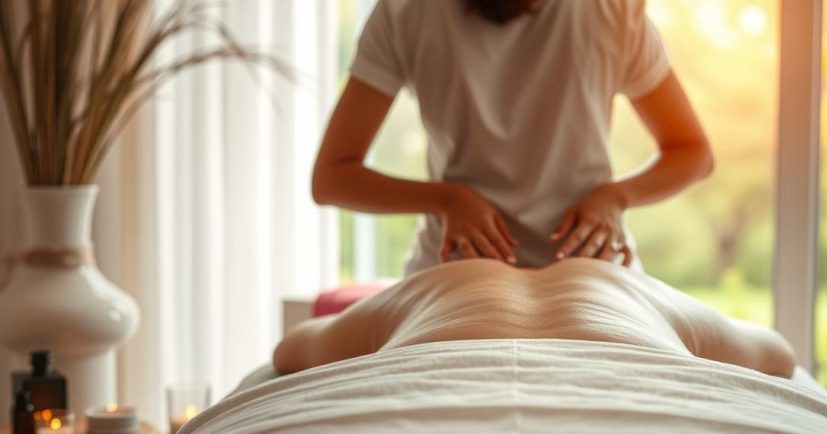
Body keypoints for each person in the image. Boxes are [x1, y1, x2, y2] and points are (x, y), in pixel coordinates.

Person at [312, 0, 713, 274]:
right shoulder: (407, 11)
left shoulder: (610, 9)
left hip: (590, 272)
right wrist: (447, 200)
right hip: (455, 273)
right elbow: (332, 177)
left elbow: (693, 152)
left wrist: (615, 196)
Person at [273, 258, 796, 378]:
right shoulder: (634, 287)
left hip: (426, 364)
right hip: (640, 360)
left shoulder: (426, 286)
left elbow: (292, 350)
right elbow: (776, 355)